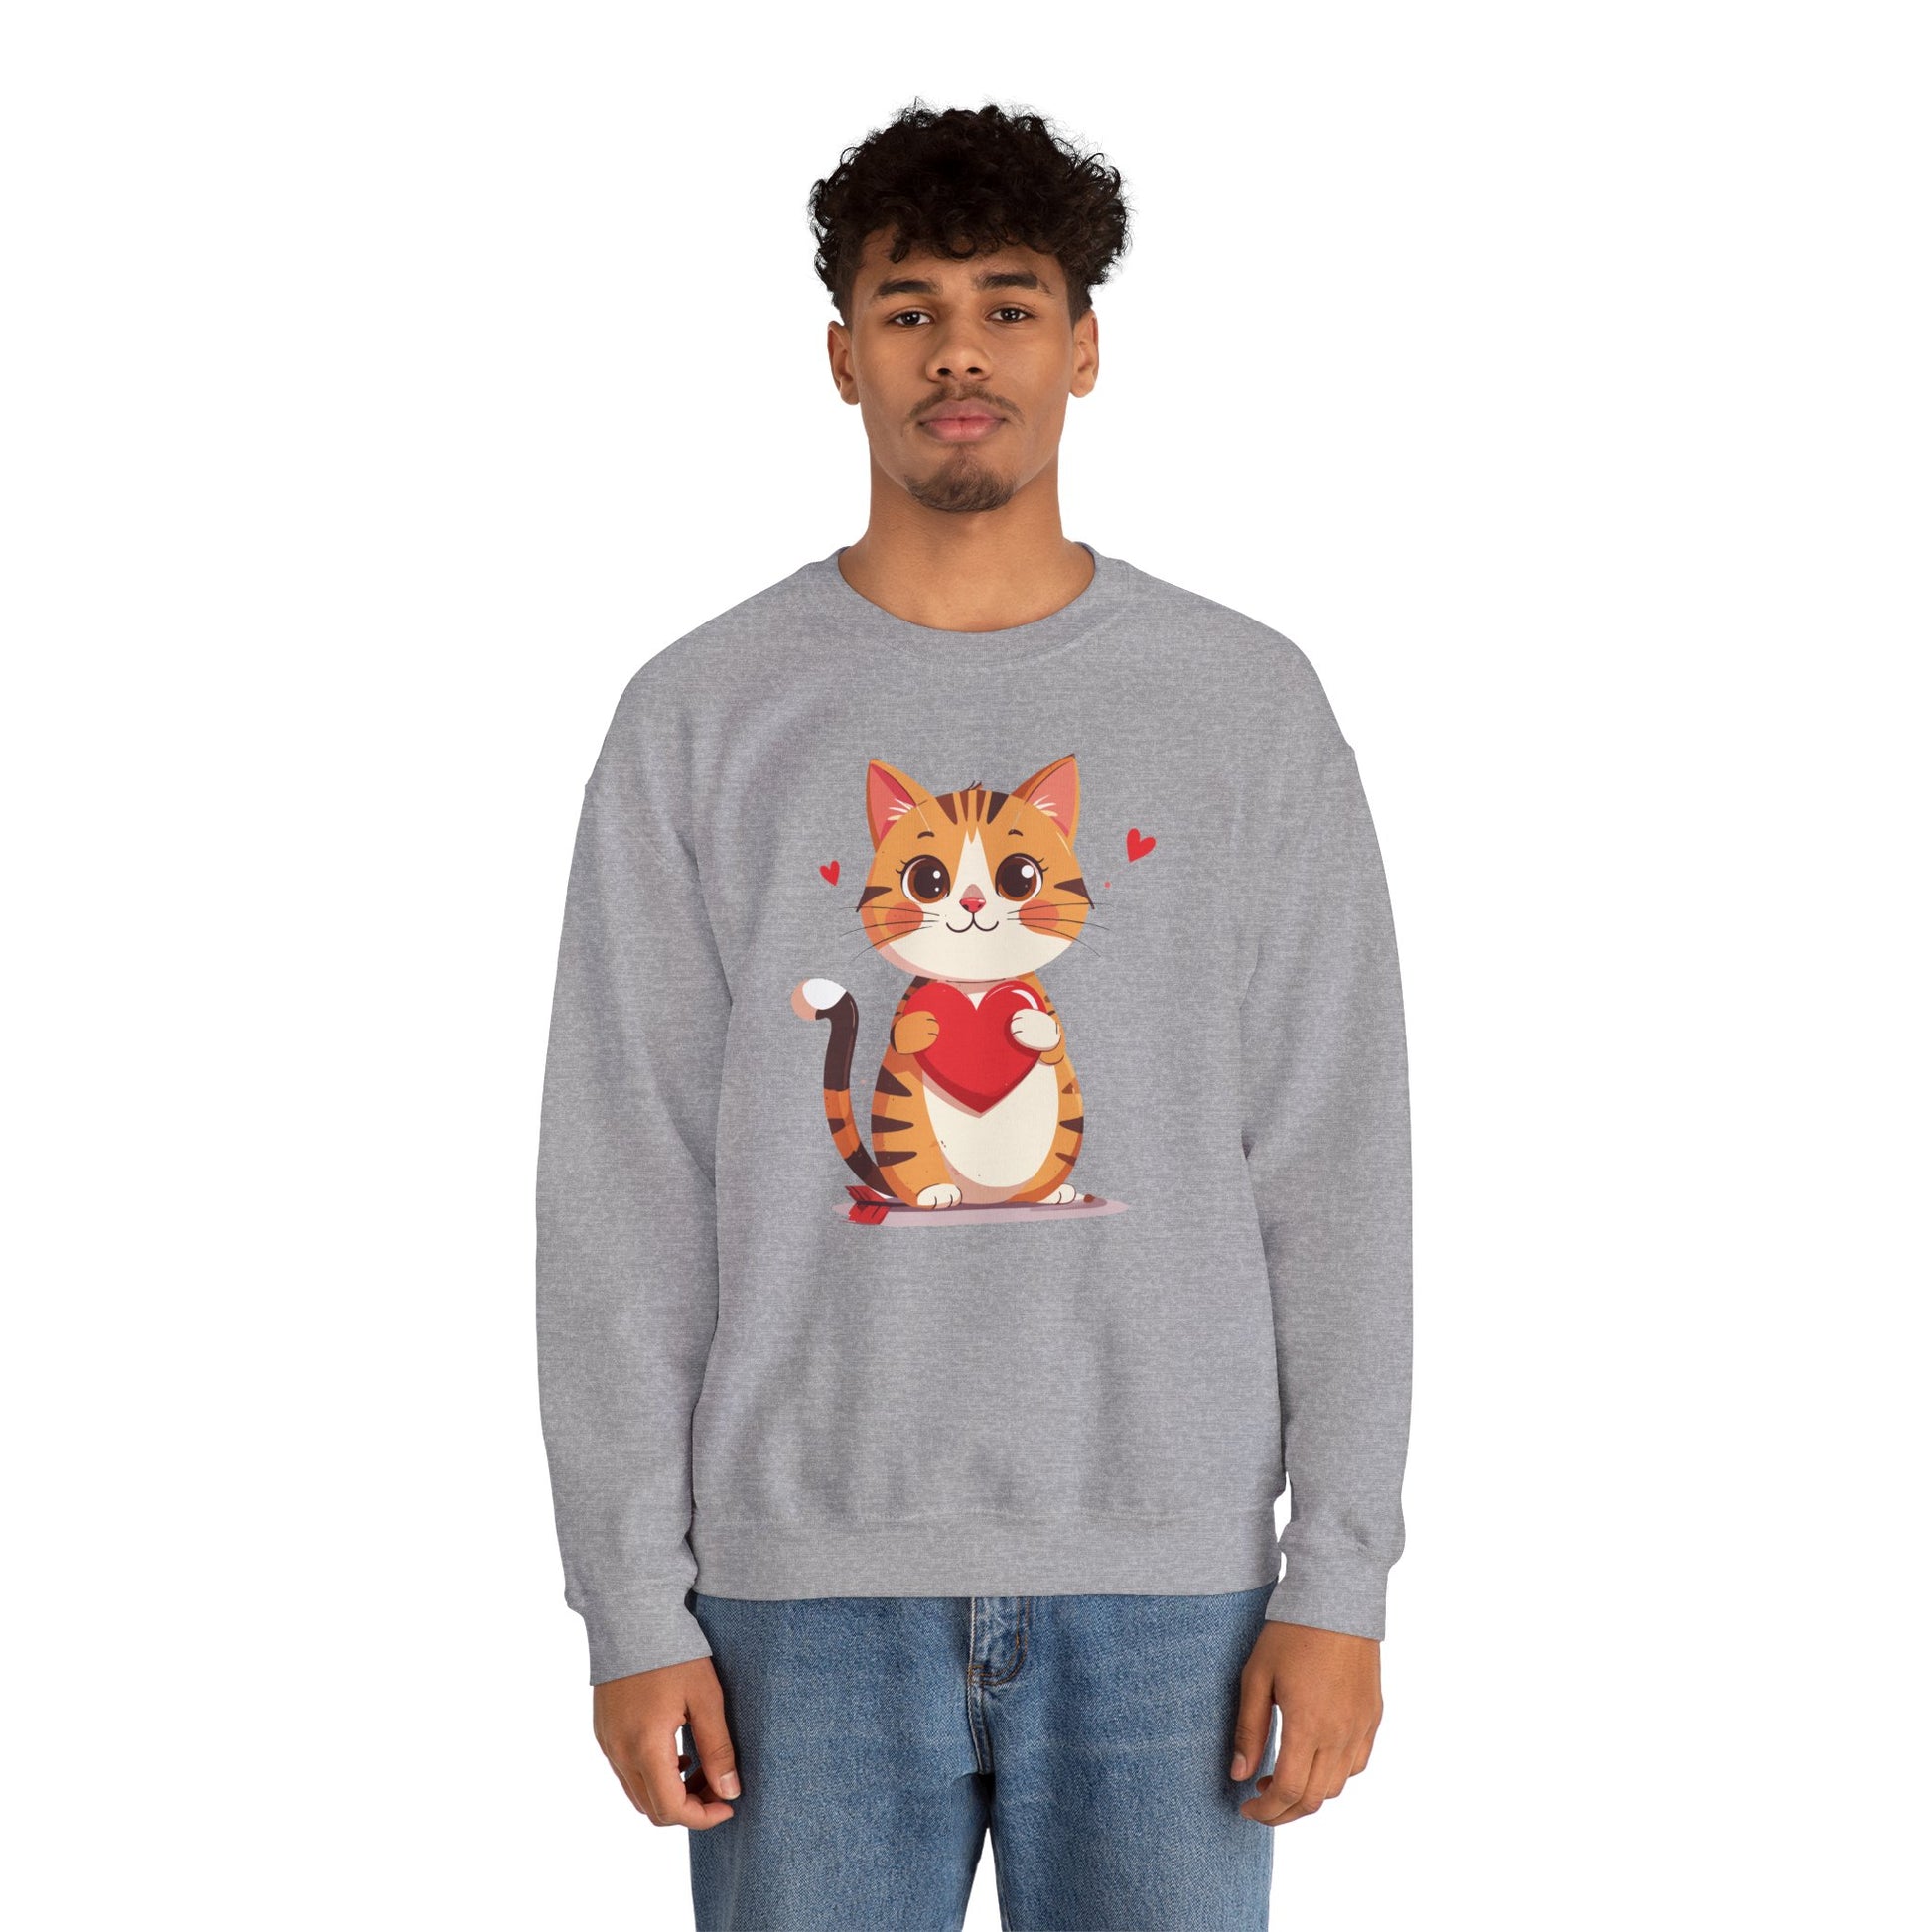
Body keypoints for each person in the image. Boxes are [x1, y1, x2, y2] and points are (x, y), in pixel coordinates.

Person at [536, 99, 1412, 1932]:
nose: (958, 352)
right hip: (791, 1588)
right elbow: (622, 1176)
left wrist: (1337, 1576)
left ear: (1082, 348)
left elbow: (1334, 1156)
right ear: (840, 354)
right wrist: (628, 1601)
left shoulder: (1241, 702)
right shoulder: (701, 712)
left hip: (1173, 1581)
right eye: (909, 308)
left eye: (1008, 306)